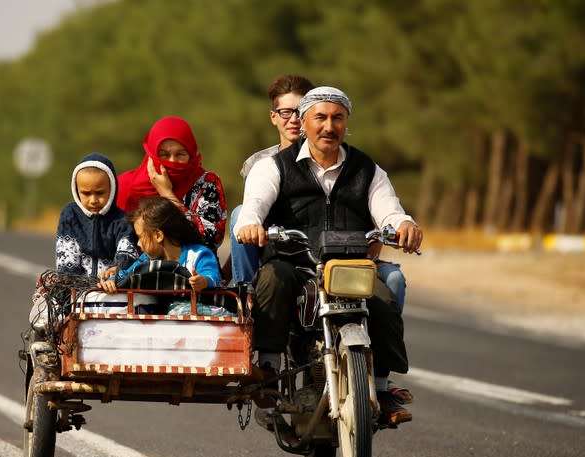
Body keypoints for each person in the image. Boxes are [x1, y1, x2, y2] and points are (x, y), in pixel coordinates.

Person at [234, 87, 423, 427]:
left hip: (350, 264)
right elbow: (254, 207)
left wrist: (403, 225)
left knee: (387, 288)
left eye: (337, 118)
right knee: (273, 277)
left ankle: (380, 387)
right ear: (303, 123)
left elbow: (389, 211)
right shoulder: (273, 167)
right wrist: (250, 224)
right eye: (319, 117)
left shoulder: (367, 169)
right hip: (295, 262)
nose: (328, 126)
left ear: (346, 123)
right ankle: (270, 367)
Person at [29, 152, 138, 332]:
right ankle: (46, 347)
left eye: (100, 193)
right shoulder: (70, 215)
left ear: (113, 189)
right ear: (76, 190)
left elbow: (127, 254)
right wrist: (77, 286)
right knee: (46, 311)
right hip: (75, 288)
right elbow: (66, 259)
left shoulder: (122, 220)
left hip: (111, 288)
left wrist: (115, 274)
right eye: (86, 193)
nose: (93, 200)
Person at [228, 74, 315, 284]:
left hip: (318, 244)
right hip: (273, 247)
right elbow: (251, 212)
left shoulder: (329, 158)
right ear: (273, 116)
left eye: (300, 112)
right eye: (286, 112)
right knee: (239, 213)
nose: (293, 120)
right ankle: (246, 292)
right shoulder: (257, 163)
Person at [115, 115, 227, 255]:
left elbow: (210, 240)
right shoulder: (125, 186)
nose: (172, 161)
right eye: (164, 154)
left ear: (191, 154)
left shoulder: (207, 183)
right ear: (151, 154)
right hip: (136, 271)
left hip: (195, 270)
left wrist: (167, 195)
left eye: (180, 154)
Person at [99, 195, 221, 293]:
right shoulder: (146, 260)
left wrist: (203, 281)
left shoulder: (198, 254)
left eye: (141, 237)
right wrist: (111, 280)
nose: (139, 243)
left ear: (158, 235)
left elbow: (213, 276)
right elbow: (125, 275)